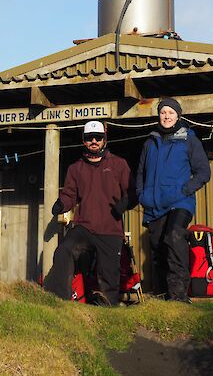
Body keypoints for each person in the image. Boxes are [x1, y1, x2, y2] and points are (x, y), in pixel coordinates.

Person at [44, 120, 136, 306]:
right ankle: (58, 300)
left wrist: (125, 203)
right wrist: (61, 204)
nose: (94, 141)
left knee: (108, 274)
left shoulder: (119, 164)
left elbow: (133, 193)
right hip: (84, 227)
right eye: (89, 138)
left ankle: (107, 309)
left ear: (104, 139)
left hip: (110, 229)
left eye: (98, 137)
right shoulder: (75, 168)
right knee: (64, 250)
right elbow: (70, 194)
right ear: (83, 140)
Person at [136, 97, 210, 302]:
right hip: (154, 204)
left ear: (178, 115)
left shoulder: (189, 139)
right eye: (163, 113)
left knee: (175, 237)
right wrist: (142, 195)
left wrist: (185, 190)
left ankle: (178, 295)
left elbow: (204, 172)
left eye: (171, 112)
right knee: (158, 248)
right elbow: (141, 172)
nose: (166, 116)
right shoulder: (150, 142)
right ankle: (162, 295)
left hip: (180, 202)